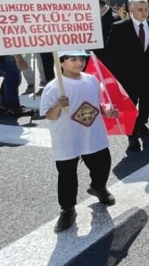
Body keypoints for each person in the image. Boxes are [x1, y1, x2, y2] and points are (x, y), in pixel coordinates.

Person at [40, 50, 118, 233]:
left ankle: (98, 187)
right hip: (68, 137)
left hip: (93, 134)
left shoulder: (91, 80)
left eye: (81, 59)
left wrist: (106, 110)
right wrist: (58, 106)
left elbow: (98, 103)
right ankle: (67, 209)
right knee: (67, 175)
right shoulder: (54, 87)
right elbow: (49, 115)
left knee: (102, 165)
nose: (78, 63)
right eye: (72, 59)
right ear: (61, 62)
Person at [106, 0, 149, 151]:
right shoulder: (119, 27)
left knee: (145, 105)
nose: (144, 13)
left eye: (146, 9)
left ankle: (140, 124)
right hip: (127, 75)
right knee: (130, 106)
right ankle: (132, 136)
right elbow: (111, 51)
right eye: (139, 9)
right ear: (130, 9)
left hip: (148, 73)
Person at [0, 0, 34, 117]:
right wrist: (18, 58)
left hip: (1, 52)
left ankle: (3, 105)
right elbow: (7, 38)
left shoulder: (4, 13)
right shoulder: (3, 15)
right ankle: (14, 108)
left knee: (9, 80)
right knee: (13, 80)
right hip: (5, 53)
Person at [96, 0, 119, 71]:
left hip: (108, 56)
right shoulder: (99, 15)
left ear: (102, 7)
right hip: (99, 54)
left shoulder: (114, 18)